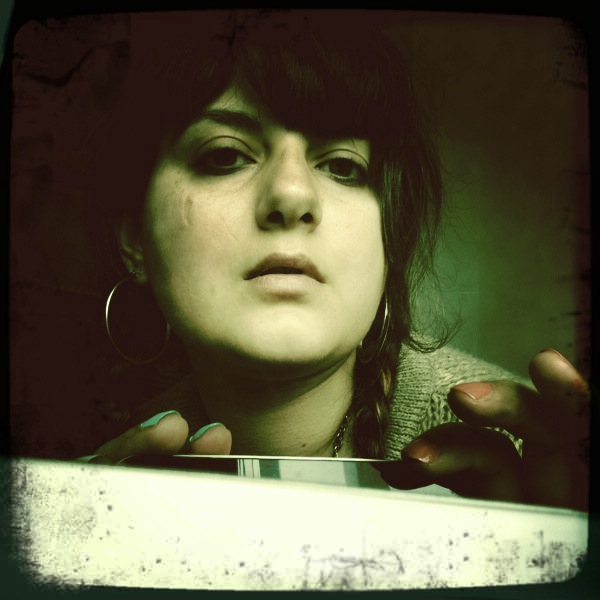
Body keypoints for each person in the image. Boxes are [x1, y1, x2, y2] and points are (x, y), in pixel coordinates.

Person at [66, 10, 588, 511]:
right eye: (225, 156)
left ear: (390, 238)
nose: (293, 195)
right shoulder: (100, 477)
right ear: (134, 238)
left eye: (342, 166)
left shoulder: (537, 459)